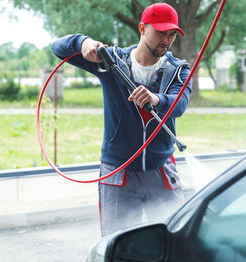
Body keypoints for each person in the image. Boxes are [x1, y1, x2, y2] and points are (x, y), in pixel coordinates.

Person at [51, 2, 192, 236]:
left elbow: (180, 103)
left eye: (172, 34)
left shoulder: (179, 69)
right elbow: (57, 48)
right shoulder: (110, 60)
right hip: (118, 171)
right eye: (160, 32)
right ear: (142, 28)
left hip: (161, 170)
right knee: (117, 247)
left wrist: (157, 99)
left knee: (174, 242)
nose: (166, 40)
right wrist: (83, 42)